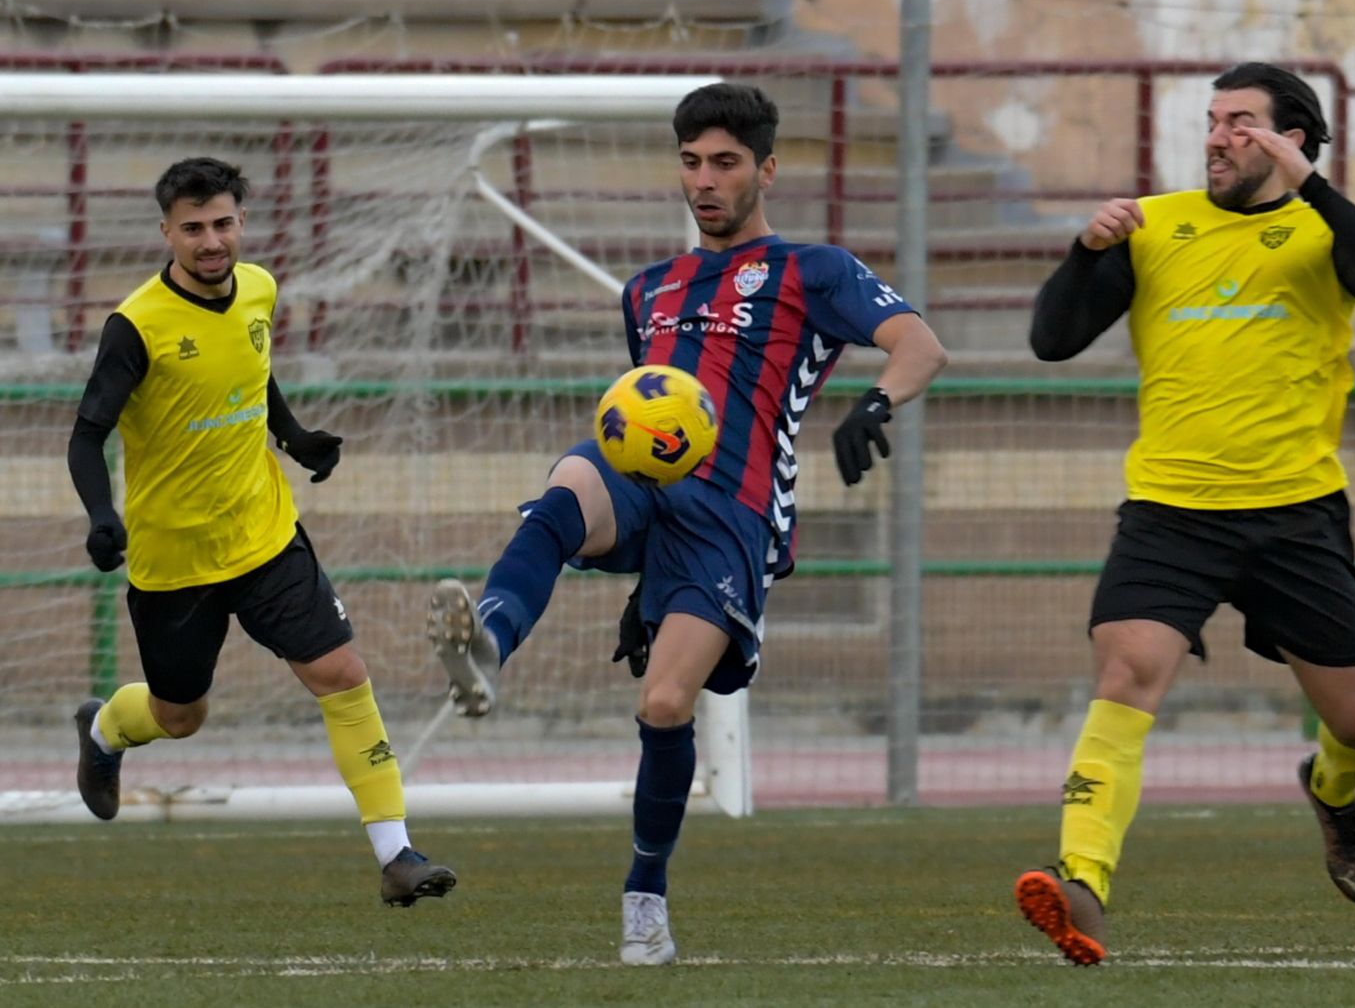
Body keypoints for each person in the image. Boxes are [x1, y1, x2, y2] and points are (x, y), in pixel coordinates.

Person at [426, 82, 948, 965]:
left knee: (665, 704)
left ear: (766, 170)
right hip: (639, 477)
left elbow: (920, 344)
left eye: (725, 163)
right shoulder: (646, 291)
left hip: (730, 515)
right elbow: (652, 411)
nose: (704, 181)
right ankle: (488, 640)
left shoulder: (811, 271)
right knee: (564, 491)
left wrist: (874, 407)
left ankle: (645, 900)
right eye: (691, 162)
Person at [1017, 62, 1355, 965]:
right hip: (1170, 511)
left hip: (1296, 516)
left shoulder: (1324, 231)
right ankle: (1082, 881)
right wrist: (1086, 253)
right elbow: (1051, 341)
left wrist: (1311, 184)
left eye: (1242, 123)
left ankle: (1331, 793)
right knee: (1126, 674)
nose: (1216, 137)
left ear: (1292, 141)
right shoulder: (1155, 225)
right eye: (1212, 121)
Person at [67, 157, 456, 908]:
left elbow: (253, 371)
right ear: (167, 233)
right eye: (193, 229)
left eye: (222, 224)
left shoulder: (260, 289)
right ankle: (105, 730)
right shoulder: (136, 326)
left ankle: (396, 853)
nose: (211, 241)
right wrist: (102, 516)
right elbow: (86, 437)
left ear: (240, 222)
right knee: (181, 716)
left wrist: (295, 435)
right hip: (175, 560)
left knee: (341, 672)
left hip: (266, 533)